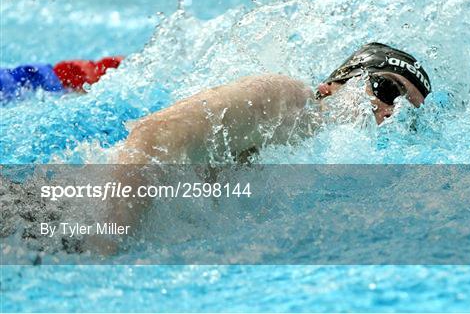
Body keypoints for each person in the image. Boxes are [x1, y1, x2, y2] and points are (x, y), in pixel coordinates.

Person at [90, 42, 432, 253]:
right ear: (334, 84)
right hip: (75, 218)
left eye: (406, 113)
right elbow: (152, 137)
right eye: (388, 89)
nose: (390, 112)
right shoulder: (285, 100)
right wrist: (105, 250)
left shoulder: (329, 174)